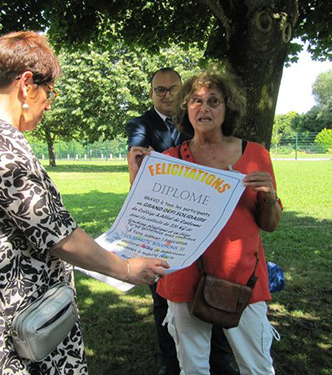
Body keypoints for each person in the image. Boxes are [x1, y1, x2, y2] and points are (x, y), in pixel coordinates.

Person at [0, 31, 169, 375]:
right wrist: (126, 269)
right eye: (48, 92)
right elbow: (57, 234)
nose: (49, 104)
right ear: (25, 84)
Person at [130, 67, 283, 375]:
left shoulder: (255, 154)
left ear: (228, 108)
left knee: (257, 367)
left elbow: (270, 224)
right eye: (196, 101)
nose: (205, 108)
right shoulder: (171, 159)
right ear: (186, 109)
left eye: (214, 101)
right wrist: (139, 173)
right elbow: (149, 217)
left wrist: (267, 195)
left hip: (242, 278)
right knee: (193, 368)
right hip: (184, 279)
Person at [126, 68, 239, 375]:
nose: (166, 95)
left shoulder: (196, 120)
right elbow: (140, 159)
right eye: (159, 90)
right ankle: (169, 361)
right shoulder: (140, 125)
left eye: (172, 88)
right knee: (164, 296)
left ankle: (219, 358)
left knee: (210, 287)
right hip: (163, 224)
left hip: (200, 222)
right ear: (151, 94)